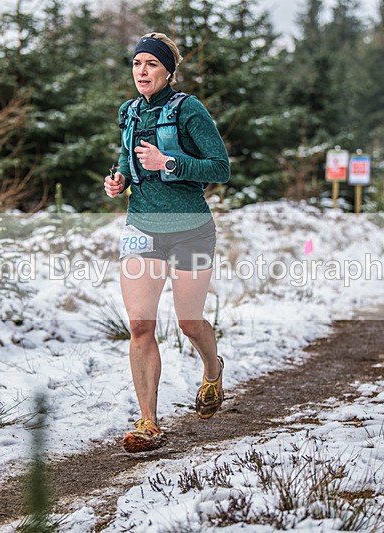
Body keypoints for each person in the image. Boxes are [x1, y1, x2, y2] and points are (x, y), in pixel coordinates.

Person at [104, 33, 230, 453]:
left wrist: (168, 162)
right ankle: (148, 422)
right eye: (137, 63)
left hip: (191, 228)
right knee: (140, 324)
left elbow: (220, 167)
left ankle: (212, 369)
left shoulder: (189, 109)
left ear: (168, 71)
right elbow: (127, 155)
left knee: (188, 322)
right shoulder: (129, 111)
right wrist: (119, 177)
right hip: (142, 227)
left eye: (151, 64)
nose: (142, 71)